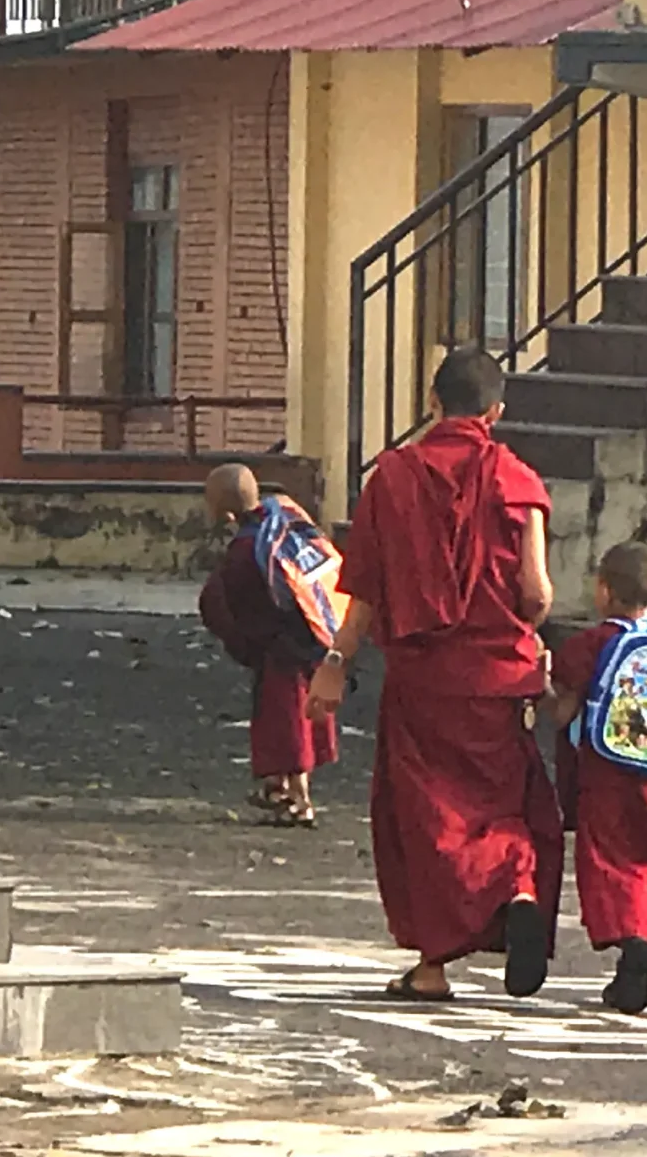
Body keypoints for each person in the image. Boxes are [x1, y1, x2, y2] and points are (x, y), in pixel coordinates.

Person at [312, 348, 563, 1003]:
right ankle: (518, 890)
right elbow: (535, 593)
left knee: (428, 819)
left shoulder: (392, 478)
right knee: (499, 804)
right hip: (499, 678)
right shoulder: (517, 480)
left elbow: (364, 592)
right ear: (495, 412)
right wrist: (529, 627)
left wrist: (335, 664)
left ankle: (432, 968)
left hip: (422, 680)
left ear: (431, 403)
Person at [543, 542, 647, 1016]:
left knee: (613, 861)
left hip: (608, 775)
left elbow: (562, 713)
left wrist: (540, 684)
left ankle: (630, 935)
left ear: (603, 591)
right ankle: (646, 944)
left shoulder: (590, 646)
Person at [197, 464, 339, 827]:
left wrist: (245, 646)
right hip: (315, 637)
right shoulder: (283, 516)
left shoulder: (244, 553)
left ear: (226, 514)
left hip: (283, 650)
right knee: (295, 717)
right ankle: (277, 787)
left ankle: (300, 802)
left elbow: (244, 616)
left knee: (287, 722)